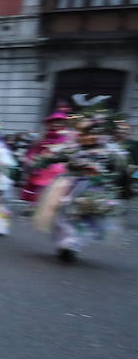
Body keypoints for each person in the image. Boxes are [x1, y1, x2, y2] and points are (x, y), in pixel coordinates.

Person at [31, 110, 131, 262]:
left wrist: (117, 183)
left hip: (95, 190)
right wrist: (40, 161)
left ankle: (74, 243)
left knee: (86, 219)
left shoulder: (109, 152)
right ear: (79, 135)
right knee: (64, 216)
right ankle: (66, 242)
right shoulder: (72, 149)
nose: (89, 137)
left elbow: (119, 170)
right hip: (70, 187)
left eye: (93, 134)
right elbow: (54, 156)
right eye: (84, 134)